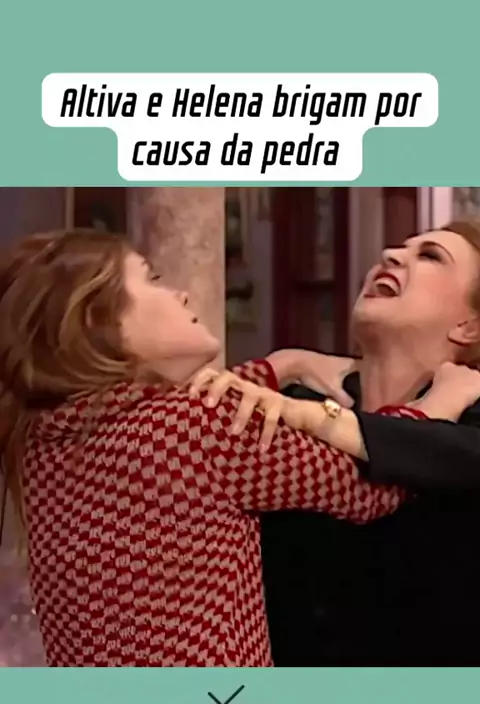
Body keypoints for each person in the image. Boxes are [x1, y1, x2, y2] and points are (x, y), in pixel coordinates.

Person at [0, 228, 434, 668]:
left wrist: (281, 365)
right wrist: (439, 404)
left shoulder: (39, 439)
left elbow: (169, 427)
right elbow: (370, 487)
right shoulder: (197, 429)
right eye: (152, 279)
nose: (181, 295)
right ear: (101, 323)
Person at [191, 219, 480, 666]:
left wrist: (321, 421)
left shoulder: (470, 417)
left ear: (469, 326)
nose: (390, 254)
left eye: (430, 256)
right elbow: (181, 442)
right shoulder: (293, 405)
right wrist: (283, 364)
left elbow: (447, 456)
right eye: (400, 247)